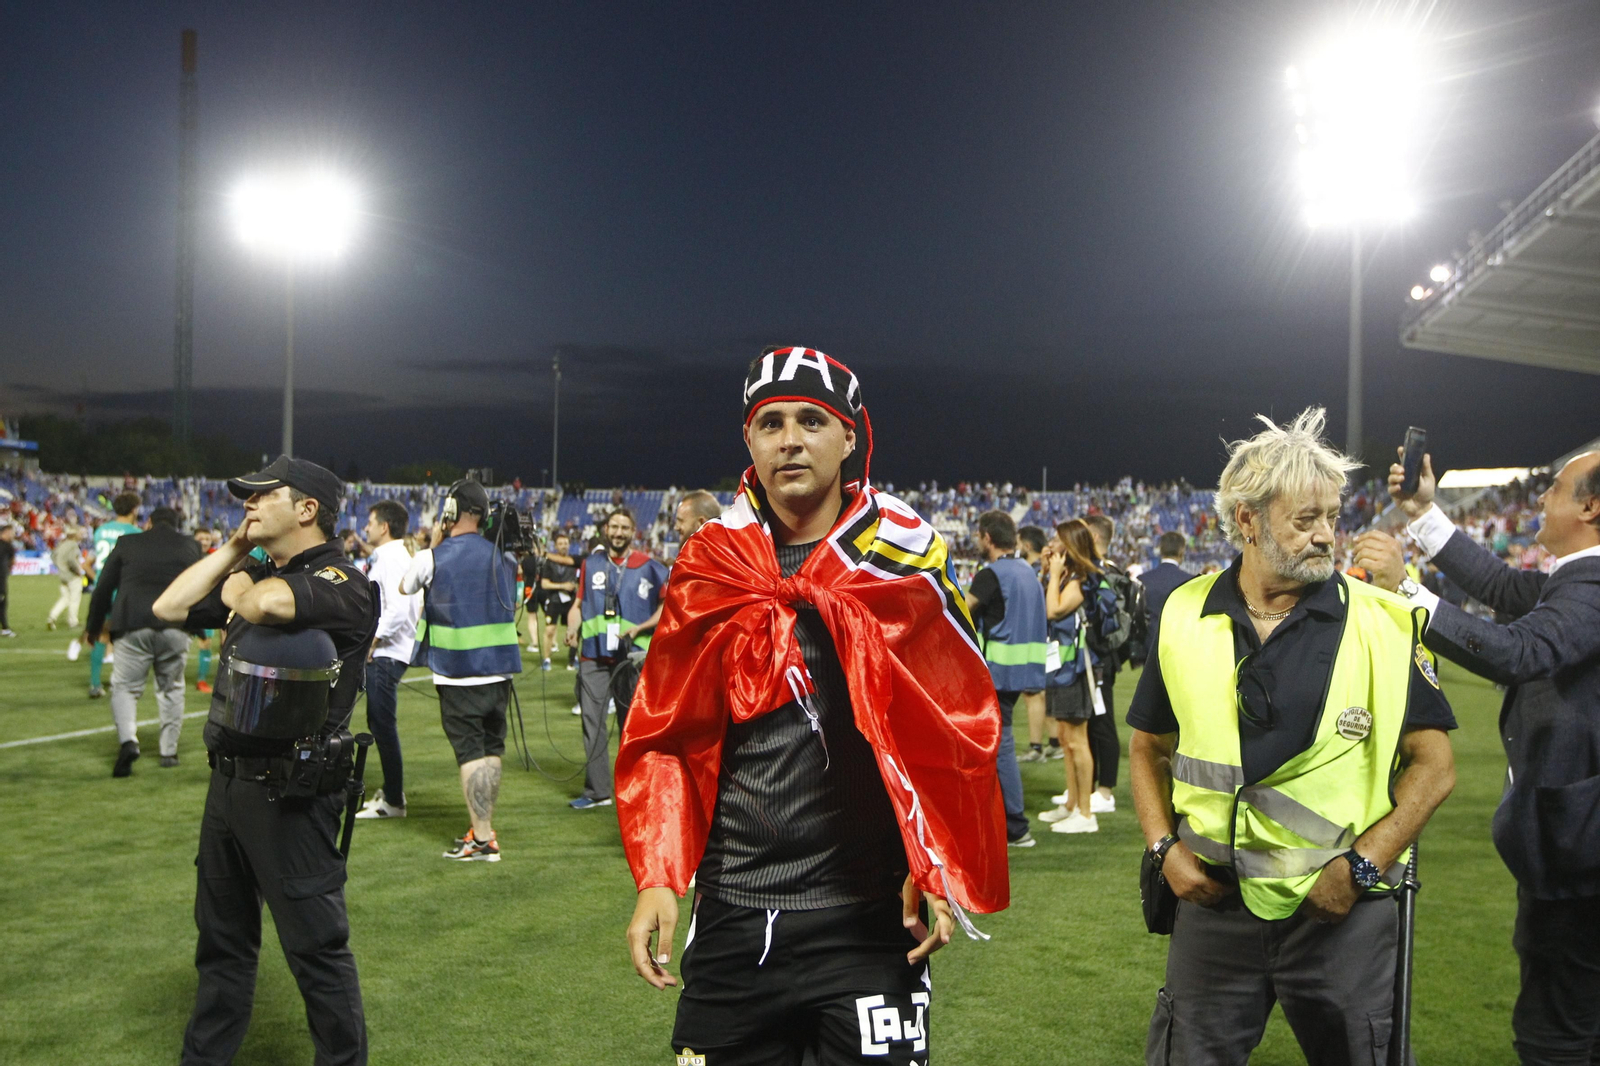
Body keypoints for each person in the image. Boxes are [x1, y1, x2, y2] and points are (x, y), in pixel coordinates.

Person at [617, 346, 1008, 1064]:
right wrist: (659, 875)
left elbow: (954, 723)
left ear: (849, 436)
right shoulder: (710, 561)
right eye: (771, 423)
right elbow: (667, 732)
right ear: (749, 440)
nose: (790, 440)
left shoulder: (903, 554)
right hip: (735, 905)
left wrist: (936, 860)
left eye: (811, 420)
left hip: (869, 913)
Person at [1127, 409, 1457, 1066]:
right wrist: (1163, 849)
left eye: (1331, 516)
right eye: (1305, 520)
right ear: (1247, 520)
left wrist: (1361, 867)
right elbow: (1148, 747)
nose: (1326, 535)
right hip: (1212, 908)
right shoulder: (1183, 611)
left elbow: (1436, 766)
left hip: (1342, 915)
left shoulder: (1386, 621)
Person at [1354, 447, 1600, 1065]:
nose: (1540, 496)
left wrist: (1404, 588)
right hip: (1577, 843)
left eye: (1556, 488)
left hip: (1582, 855)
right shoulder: (1578, 580)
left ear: (1591, 508)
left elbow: (1518, 652)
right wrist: (1423, 512)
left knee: (1555, 1035)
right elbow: (1504, 587)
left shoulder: (1595, 586)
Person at [151, 456, 377, 1066]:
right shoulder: (253, 567)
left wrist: (241, 590)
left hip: (294, 797)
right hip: (229, 788)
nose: (248, 504)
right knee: (221, 945)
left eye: (262, 496)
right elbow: (169, 607)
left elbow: (269, 605)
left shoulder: (343, 580)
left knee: (317, 952)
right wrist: (233, 549)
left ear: (307, 509)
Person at [400, 480, 521, 859]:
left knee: (470, 752)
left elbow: (405, 586)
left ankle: (483, 839)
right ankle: (484, 831)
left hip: (456, 671)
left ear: (452, 510)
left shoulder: (432, 557)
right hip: (499, 671)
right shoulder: (505, 558)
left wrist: (435, 542)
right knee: (491, 748)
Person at [84, 506, 202, 775]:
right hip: (174, 625)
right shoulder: (190, 545)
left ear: (148, 522)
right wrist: (200, 626)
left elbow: (103, 587)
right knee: (171, 688)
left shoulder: (127, 542)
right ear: (177, 524)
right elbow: (201, 586)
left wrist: (93, 627)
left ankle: (128, 741)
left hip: (131, 623)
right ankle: (168, 752)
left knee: (125, 688)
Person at [564, 508, 667, 810]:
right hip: (592, 655)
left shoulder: (650, 567)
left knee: (632, 727)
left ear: (633, 532)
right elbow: (577, 605)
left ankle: (636, 790)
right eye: (614, 527)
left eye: (624, 527)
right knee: (592, 723)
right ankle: (598, 792)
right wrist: (572, 627)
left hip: (630, 659)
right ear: (606, 530)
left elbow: (667, 604)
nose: (619, 532)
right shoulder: (591, 564)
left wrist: (642, 627)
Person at [964, 510, 1046, 848]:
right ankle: (1004, 819)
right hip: (1024, 668)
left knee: (1000, 746)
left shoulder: (991, 574)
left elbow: (961, 611)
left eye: (978, 536)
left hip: (997, 671)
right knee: (998, 745)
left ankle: (1016, 826)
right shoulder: (1027, 570)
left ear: (987, 537)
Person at [1037, 518, 1115, 835]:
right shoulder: (1070, 575)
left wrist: (1054, 574)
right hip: (1064, 666)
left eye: (1057, 539)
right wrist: (1049, 572)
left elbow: (1053, 610)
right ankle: (1072, 803)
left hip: (1078, 668)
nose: (1052, 543)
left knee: (1077, 740)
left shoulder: (1083, 578)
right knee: (1066, 738)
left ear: (1070, 544)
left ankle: (1085, 813)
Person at [354, 500, 420, 821]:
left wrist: (374, 639)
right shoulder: (395, 555)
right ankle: (392, 793)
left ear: (384, 526)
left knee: (382, 723)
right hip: (390, 650)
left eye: (370, 522)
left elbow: (398, 607)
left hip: (387, 652)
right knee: (379, 721)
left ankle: (394, 800)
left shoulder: (391, 557)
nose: (366, 527)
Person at [1083, 512, 1132, 814]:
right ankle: (1087, 787)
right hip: (1096, 656)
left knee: (1102, 721)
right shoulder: (1106, 570)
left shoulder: (1106, 573)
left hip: (1101, 657)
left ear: (1095, 537)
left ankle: (1105, 791)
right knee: (1089, 720)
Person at [88, 492, 143, 698]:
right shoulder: (135, 533)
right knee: (125, 638)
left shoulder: (101, 530)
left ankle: (95, 683)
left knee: (101, 636)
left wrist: (97, 579)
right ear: (134, 510)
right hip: (124, 589)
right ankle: (120, 682)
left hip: (102, 589)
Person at [1015, 524, 1057, 763]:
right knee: (1044, 691)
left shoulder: (1035, 571)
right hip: (1049, 639)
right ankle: (1054, 743)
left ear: (1027, 545)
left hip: (1040, 638)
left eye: (1018, 542)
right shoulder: (1043, 568)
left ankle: (1036, 747)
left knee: (1033, 692)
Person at [535, 531, 580, 671]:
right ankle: (546, 659)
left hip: (571, 600)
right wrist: (562, 586)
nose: (563, 546)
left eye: (566, 543)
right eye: (560, 543)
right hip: (554, 599)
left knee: (574, 629)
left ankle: (573, 658)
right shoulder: (550, 563)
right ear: (555, 546)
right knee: (550, 630)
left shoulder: (574, 561)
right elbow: (544, 584)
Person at [1139, 530, 1192, 638]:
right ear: (1181, 551)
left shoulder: (1142, 580)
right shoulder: (1191, 582)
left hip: (1148, 643)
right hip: (1178, 643)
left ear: (1161, 550)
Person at [46, 524, 87, 631]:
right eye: (80, 533)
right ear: (75, 535)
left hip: (63, 576)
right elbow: (71, 560)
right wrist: (78, 571)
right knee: (74, 599)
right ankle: (73, 622)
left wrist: (60, 567)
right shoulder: (73, 545)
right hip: (72, 576)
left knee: (65, 598)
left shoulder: (62, 544)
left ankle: (52, 617)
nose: (81, 535)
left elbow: (53, 556)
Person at [0, 522, 16, 637]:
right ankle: (5, 629)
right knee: (2, 603)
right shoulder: (8, 546)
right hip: (0, 579)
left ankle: (5, 628)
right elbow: (12, 561)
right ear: (5, 532)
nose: (13, 535)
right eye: (11, 532)